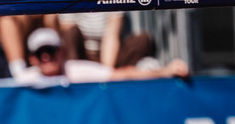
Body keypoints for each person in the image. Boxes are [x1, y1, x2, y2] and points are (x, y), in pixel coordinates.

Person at [16, 27, 189, 84]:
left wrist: (165, 71)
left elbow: (120, 74)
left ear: (61, 51)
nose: (46, 57)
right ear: (32, 58)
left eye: (50, 51)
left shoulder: (75, 70)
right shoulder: (22, 82)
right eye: (40, 53)